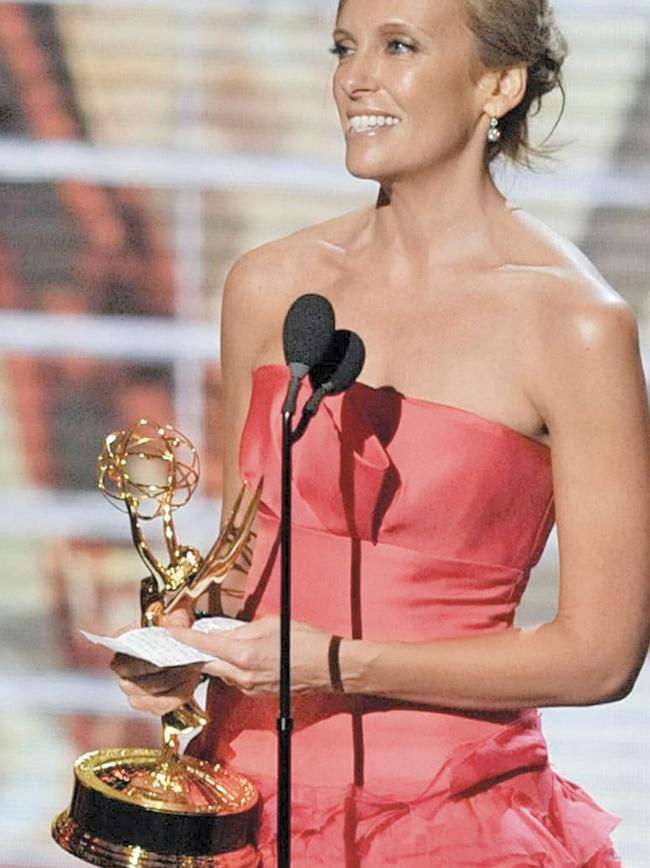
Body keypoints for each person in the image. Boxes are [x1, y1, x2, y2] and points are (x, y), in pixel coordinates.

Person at [112, 0, 650, 864]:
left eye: (399, 46)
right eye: (343, 47)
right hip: (243, 804)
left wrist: (330, 662)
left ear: (499, 84)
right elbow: (249, 557)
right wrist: (186, 640)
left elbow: (599, 655)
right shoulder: (269, 285)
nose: (354, 78)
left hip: (450, 816)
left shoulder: (575, 323)